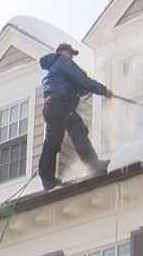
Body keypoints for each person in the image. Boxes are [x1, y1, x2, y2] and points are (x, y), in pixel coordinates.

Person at [38, 43, 112, 191]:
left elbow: (75, 85)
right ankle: (93, 165)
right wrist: (103, 90)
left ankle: (47, 179)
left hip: (53, 106)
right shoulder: (63, 61)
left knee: (53, 142)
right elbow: (82, 79)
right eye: (70, 53)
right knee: (78, 131)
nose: (72, 57)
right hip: (61, 105)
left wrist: (84, 90)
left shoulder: (55, 68)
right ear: (63, 52)